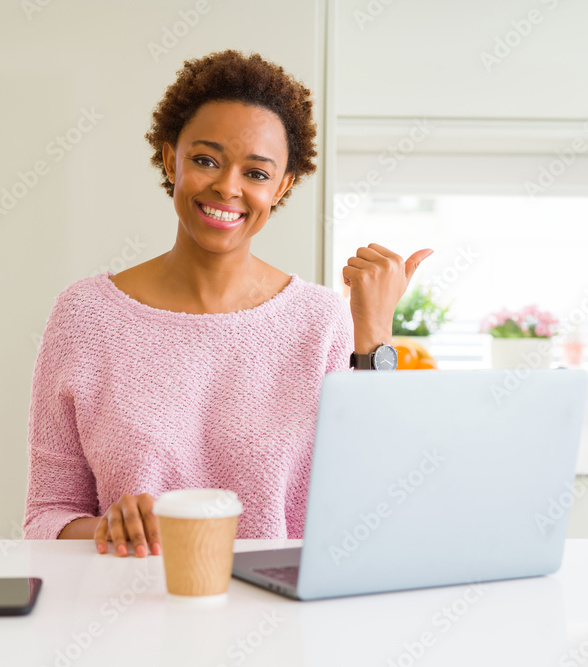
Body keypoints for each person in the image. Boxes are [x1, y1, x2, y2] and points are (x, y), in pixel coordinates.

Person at [22, 49, 432, 557]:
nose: (227, 187)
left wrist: (373, 332)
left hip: (283, 619)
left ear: (281, 187)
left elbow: (371, 504)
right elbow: (46, 516)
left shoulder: (321, 321)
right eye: (205, 160)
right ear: (172, 159)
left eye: (256, 174)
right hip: (131, 614)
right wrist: (108, 530)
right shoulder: (85, 315)